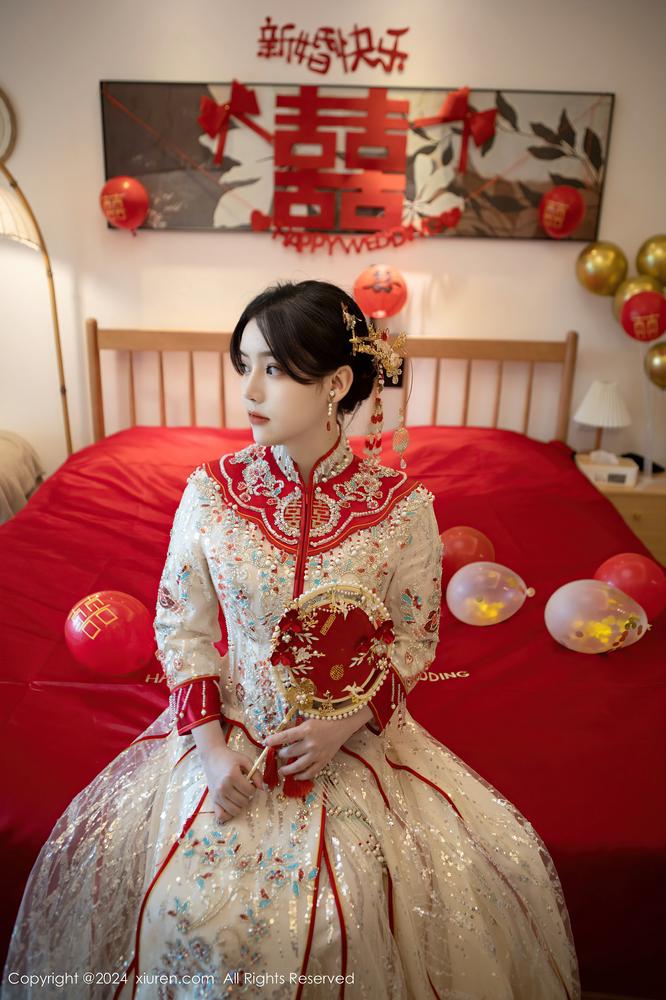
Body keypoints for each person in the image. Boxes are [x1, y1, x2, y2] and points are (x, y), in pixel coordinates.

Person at [3, 280, 580, 999]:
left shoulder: (402, 510)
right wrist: (210, 750)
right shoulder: (211, 493)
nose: (249, 390)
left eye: (273, 369)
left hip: (350, 738)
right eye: (243, 365)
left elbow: (413, 640)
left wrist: (345, 724)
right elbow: (181, 625)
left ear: (336, 383)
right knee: (188, 910)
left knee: (351, 906)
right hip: (227, 734)